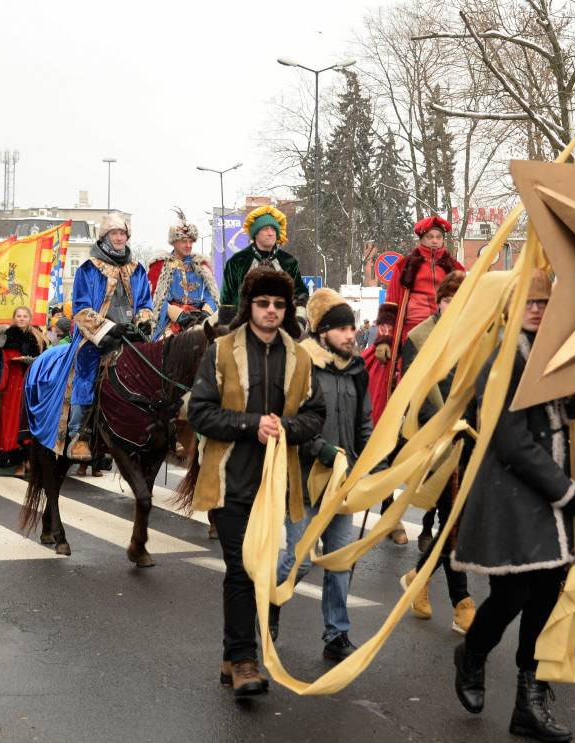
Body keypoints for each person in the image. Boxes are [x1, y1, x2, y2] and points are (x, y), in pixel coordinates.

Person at [450, 270, 575, 743]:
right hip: (514, 494)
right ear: (511, 307)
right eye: (529, 301)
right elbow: (512, 440)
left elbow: (565, 421)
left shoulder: (555, 355)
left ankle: (529, 702)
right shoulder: (504, 360)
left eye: (544, 302)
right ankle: (473, 653)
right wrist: (564, 490)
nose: (537, 309)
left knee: (545, 595)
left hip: (548, 497)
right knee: (512, 594)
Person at [187, 267, 325, 697]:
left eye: (279, 305)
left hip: (279, 482)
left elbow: (315, 415)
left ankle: (231, 657)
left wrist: (286, 427)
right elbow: (200, 412)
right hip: (230, 479)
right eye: (263, 303)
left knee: (259, 569)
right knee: (242, 568)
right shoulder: (221, 351)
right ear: (249, 306)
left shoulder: (300, 357)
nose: (271, 311)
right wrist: (252, 425)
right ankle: (246, 661)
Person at [269, 288, 370, 663]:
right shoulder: (301, 364)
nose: (350, 335)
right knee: (300, 559)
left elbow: (364, 422)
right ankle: (270, 603)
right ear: (323, 331)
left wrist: (369, 462)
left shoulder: (356, 370)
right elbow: (290, 420)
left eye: (352, 328)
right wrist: (318, 448)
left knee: (340, 560)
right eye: (342, 329)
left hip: (342, 483)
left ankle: (336, 635)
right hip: (305, 480)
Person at [24, 211, 153, 465]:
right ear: (105, 237)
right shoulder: (88, 268)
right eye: (115, 233)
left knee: (151, 369)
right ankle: (79, 432)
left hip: (129, 336)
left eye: (123, 233)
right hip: (96, 337)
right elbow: (81, 309)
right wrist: (109, 329)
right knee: (85, 370)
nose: (119, 238)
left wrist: (143, 322)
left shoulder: (137, 269)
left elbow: (145, 303)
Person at [366, 215, 465, 545]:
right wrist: (384, 338)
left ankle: (441, 520)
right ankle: (389, 509)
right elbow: (391, 302)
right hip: (409, 344)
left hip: (446, 341)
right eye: (430, 237)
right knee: (393, 422)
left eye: (439, 237)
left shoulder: (455, 267)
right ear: (422, 238)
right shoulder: (406, 265)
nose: (435, 241)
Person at [397, 270, 476, 634]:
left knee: (458, 521)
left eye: (460, 300)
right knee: (453, 519)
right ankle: (462, 602)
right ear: (438, 302)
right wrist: (444, 423)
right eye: (447, 300)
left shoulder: (476, 335)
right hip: (437, 440)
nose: (453, 306)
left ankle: (419, 577)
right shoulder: (419, 337)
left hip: (472, 438)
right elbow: (415, 391)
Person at [218, 205, 309, 325]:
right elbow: (227, 300)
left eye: (273, 229)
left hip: (283, 327)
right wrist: (229, 330)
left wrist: (299, 321)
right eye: (265, 229)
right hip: (245, 327)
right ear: (255, 233)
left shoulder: (289, 262)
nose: (270, 233)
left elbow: (300, 294)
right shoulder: (237, 262)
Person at [148, 209, 219, 339]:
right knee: (164, 346)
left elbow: (212, 294)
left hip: (199, 318)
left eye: (191, 241)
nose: (188, 245)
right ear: (174, 242)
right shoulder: (160, 265)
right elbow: (155, 298)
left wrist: (206, 312)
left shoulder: (201, 264)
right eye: (184, 241)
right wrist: (179, 315)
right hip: (170, 321)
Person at [0, 308, 44, 473]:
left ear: (30, 318)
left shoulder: (38, 337)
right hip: (12, 383)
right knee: (13, 420)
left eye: (25, 316)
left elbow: (45, 360)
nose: (21, 319)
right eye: (18, 316)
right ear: (14, 318)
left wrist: (33, 361)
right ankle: (18, 459)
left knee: (30, 419)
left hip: (32, 382)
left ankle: (28, 457)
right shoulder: (5, 336)